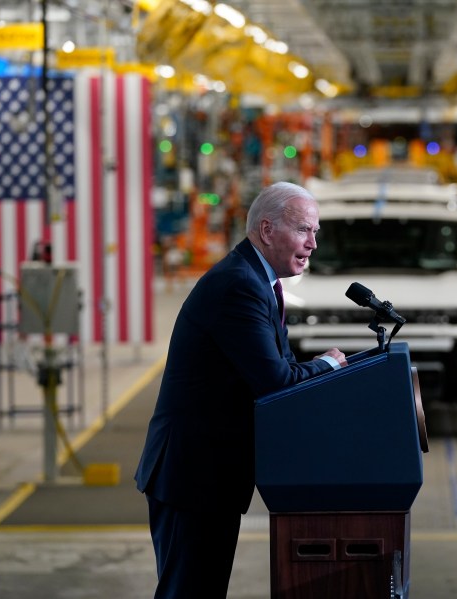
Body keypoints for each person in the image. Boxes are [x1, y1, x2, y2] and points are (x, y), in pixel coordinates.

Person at [134, 181, 347, 598]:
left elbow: (279, 368)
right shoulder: (239, 286)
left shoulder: (257, 281)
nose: (313, 243)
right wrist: (328, 364)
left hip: (208, 477)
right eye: (305, 229)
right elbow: (276, 382)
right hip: (192, 475)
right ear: (267, 230)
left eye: (315, 232)